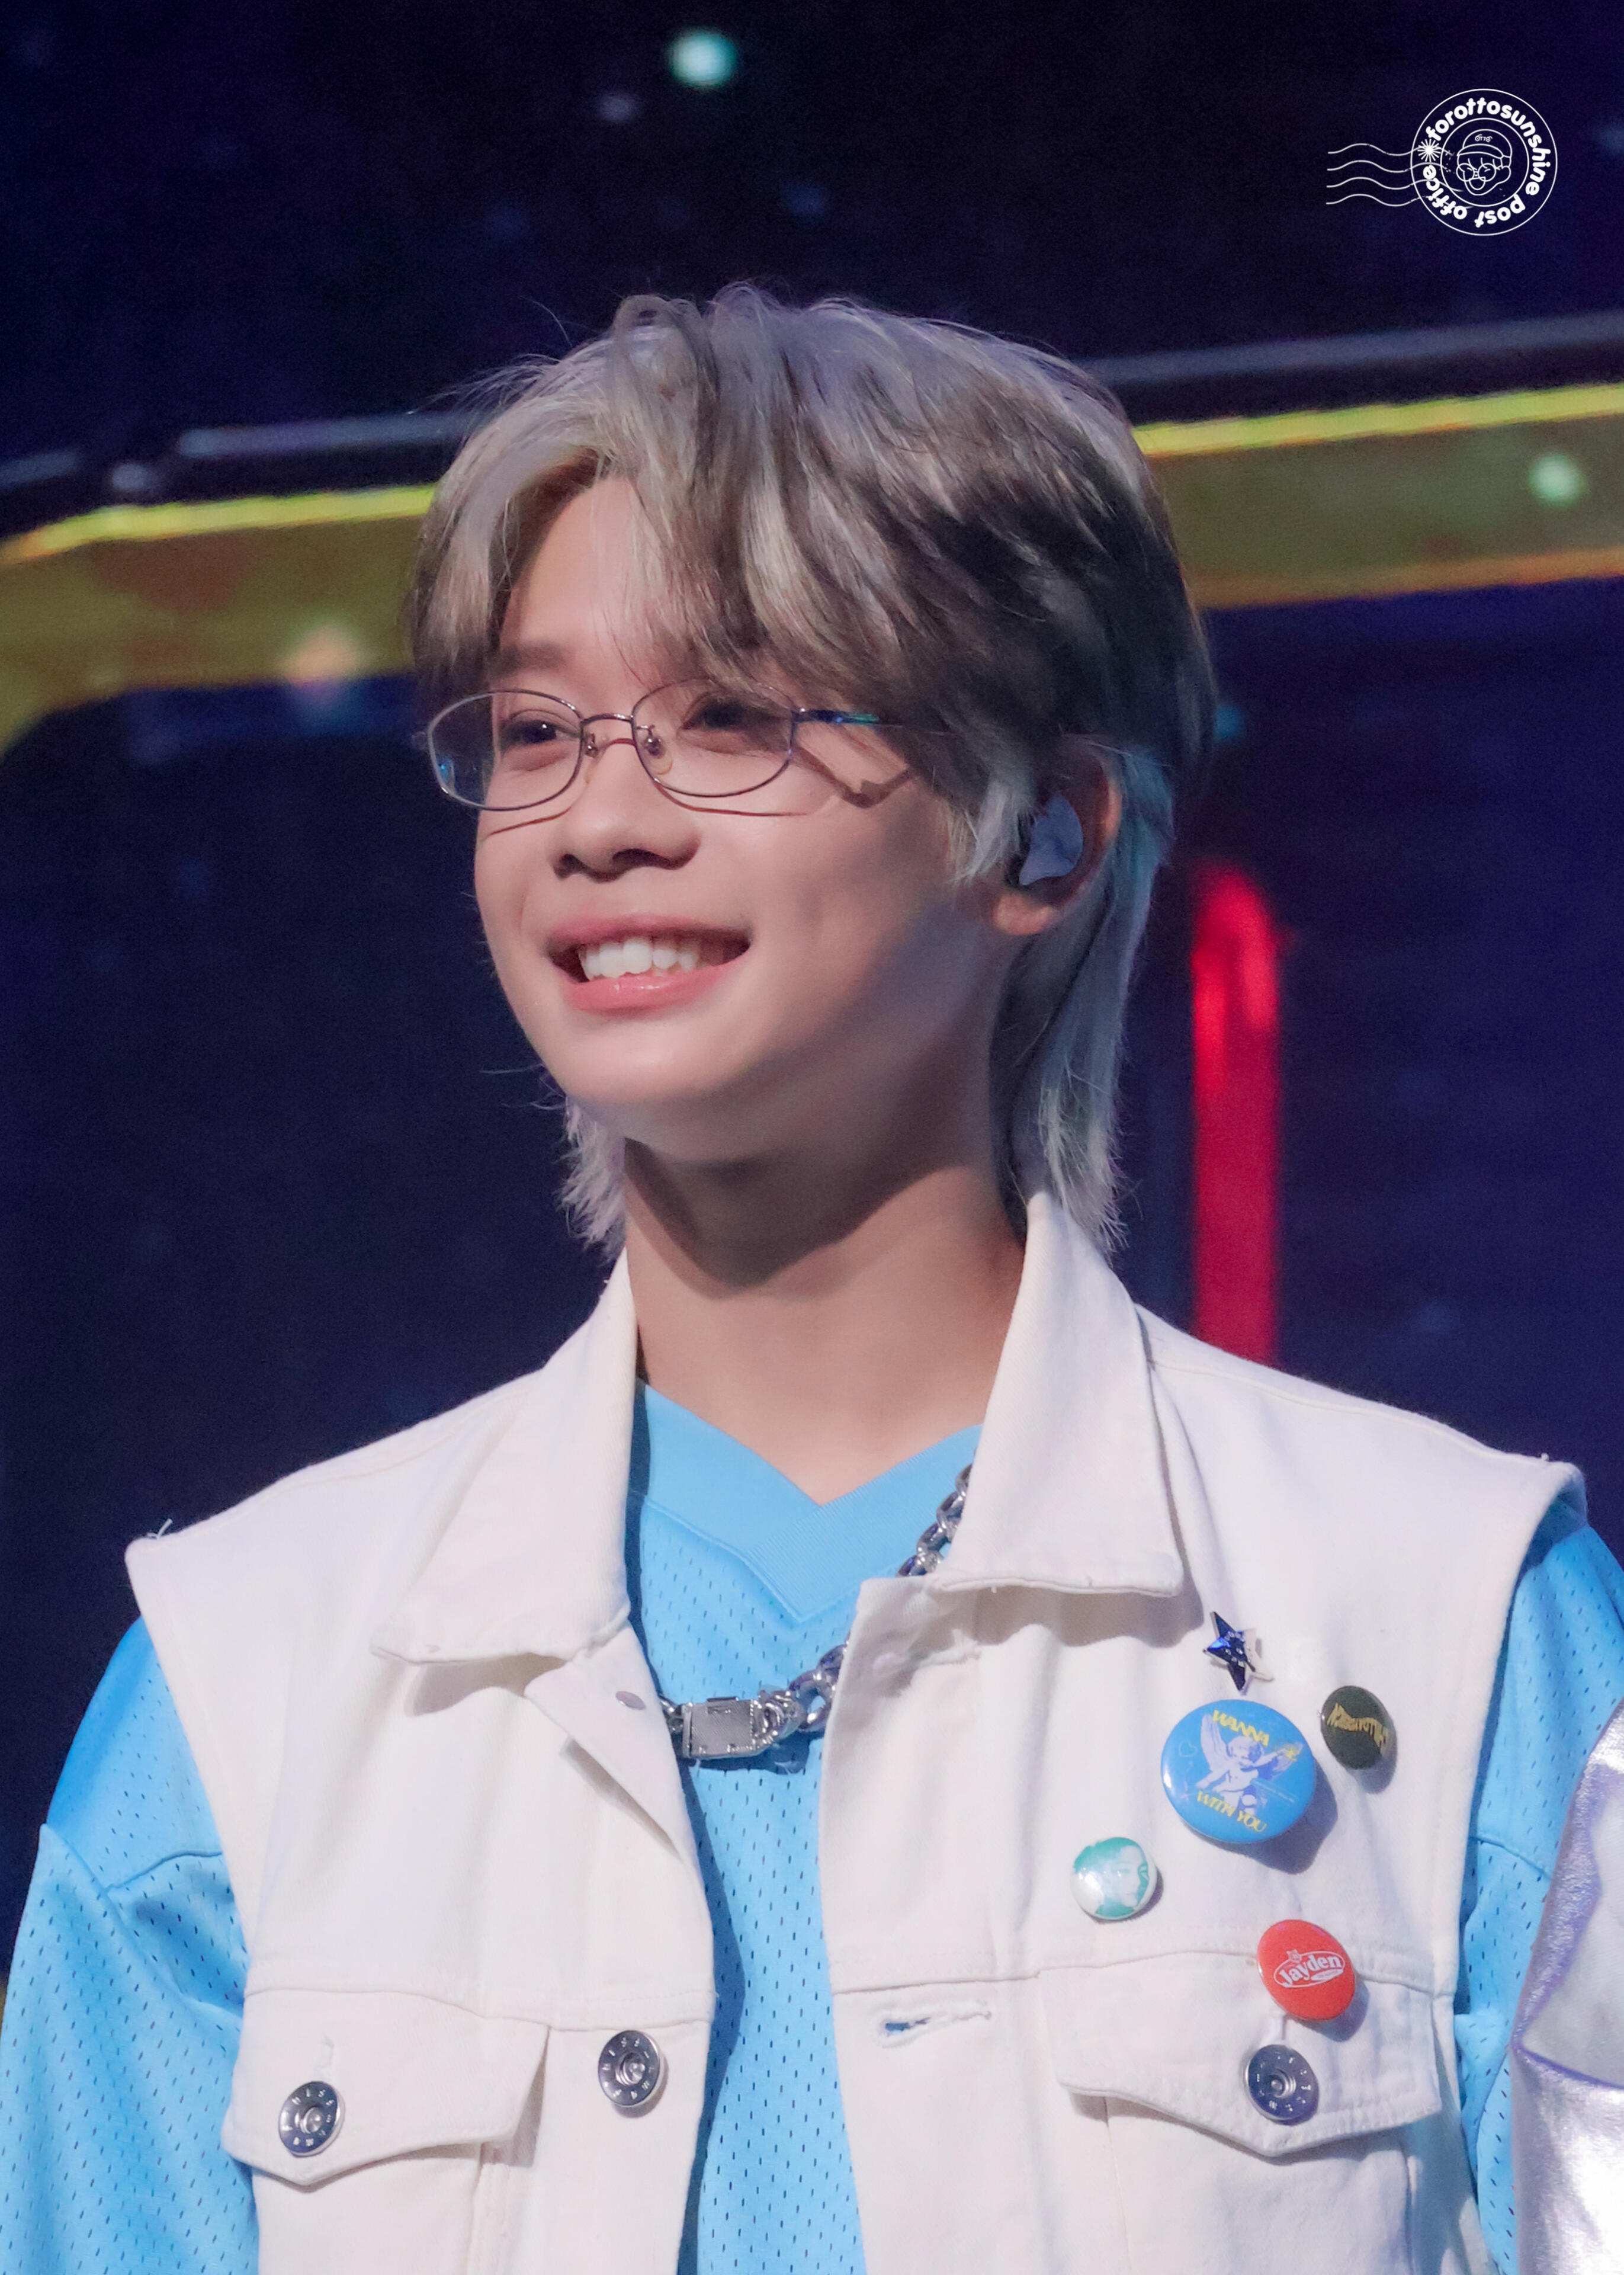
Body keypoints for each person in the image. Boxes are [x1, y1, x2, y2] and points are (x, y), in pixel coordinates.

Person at [2, 287, 1622, 2275]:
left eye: (733, 717)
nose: (600, 820)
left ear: (1044, 832)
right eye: (535, 732)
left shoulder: (1458, 1626)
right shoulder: (249, 1684)